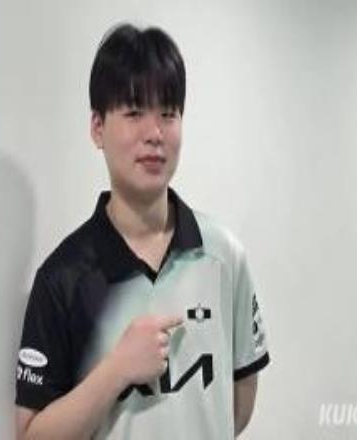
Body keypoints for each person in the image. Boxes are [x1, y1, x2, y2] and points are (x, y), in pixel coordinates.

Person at [15, 22, 270, 440]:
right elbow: (31, 434)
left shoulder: (224, 255)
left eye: (168, 114)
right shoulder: (62, 278)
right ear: (97, 127)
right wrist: (116, 370)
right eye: (134, 112)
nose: (154, 134)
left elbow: (239, 401)